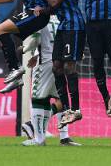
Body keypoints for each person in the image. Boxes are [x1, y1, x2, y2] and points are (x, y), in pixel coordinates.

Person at [37, 0, 85, 127]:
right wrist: (39, 11)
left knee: (68, 66)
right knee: (56, 66)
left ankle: (76, 109)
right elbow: (51, 9)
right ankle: (65, 108)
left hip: (75, 26)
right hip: (63, 27)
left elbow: (55, 3)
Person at [20, 15, 81, 146]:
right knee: (61, 98)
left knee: (39, 99)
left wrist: (24, 49)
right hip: (59, 63)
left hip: (44, 64)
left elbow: (36, 40)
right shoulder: (63, 18)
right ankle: (64, 137)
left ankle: (38, 138)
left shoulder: (40, 18)